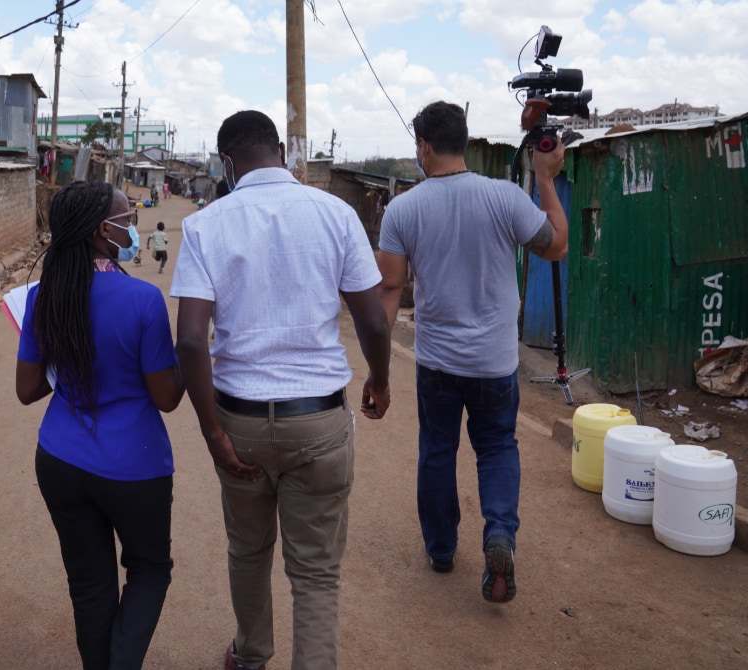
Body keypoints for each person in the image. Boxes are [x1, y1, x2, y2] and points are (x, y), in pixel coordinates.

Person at [171, 110, 391, 670]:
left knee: (247, 552)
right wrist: (380, 380)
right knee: (316, 573)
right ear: (285, 154)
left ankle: (250, 655)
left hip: (239, 422)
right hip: (317, 420)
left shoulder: (204, 225)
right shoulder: (337, 214)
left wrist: (212, 432)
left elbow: (193, 342)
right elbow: (372, 323)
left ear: (227, 163)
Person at [375, 101, 568, 604]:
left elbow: (388, 292)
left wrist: (378, 373)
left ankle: (441, 551)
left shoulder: (403, 209)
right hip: (495, 363)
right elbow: (557, 245)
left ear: (422, 147)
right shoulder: (504, 197)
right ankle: (499, 534)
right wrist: (545, 179)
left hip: (437, 362)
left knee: (437, 452)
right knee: (498, 447)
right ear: (463, 140)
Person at [16, 180, 185, 670]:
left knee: (89, 582)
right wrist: (191, 363)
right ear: (100, 231)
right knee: (149, 569)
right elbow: (166, 398)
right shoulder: (143, 300)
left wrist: (71, 357)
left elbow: (28, 389)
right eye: (125, 219)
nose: (132, 226)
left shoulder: (44, 296)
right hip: (134, 466)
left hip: (60, 459)